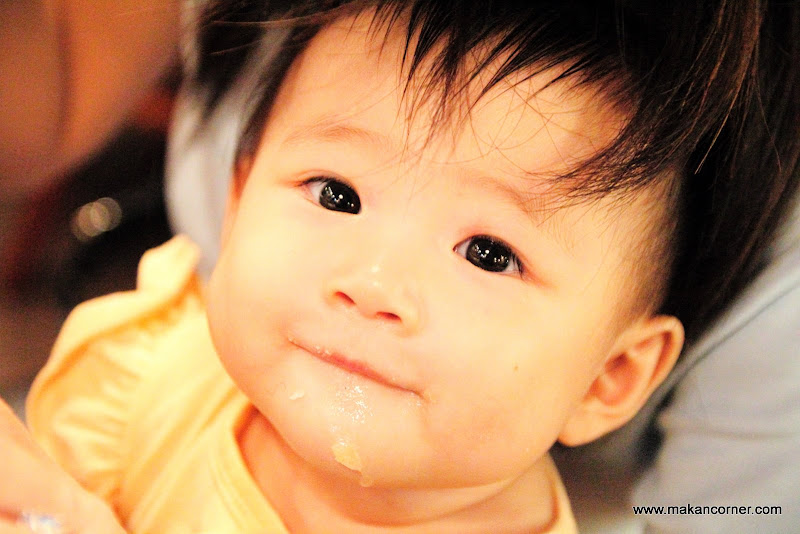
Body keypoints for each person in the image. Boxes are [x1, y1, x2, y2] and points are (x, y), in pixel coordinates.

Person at [19, 1, 799, 533]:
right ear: (239, 196)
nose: (372, 284)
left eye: (489, 254)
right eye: (338, 194)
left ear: (610, 377)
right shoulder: (150, 385)